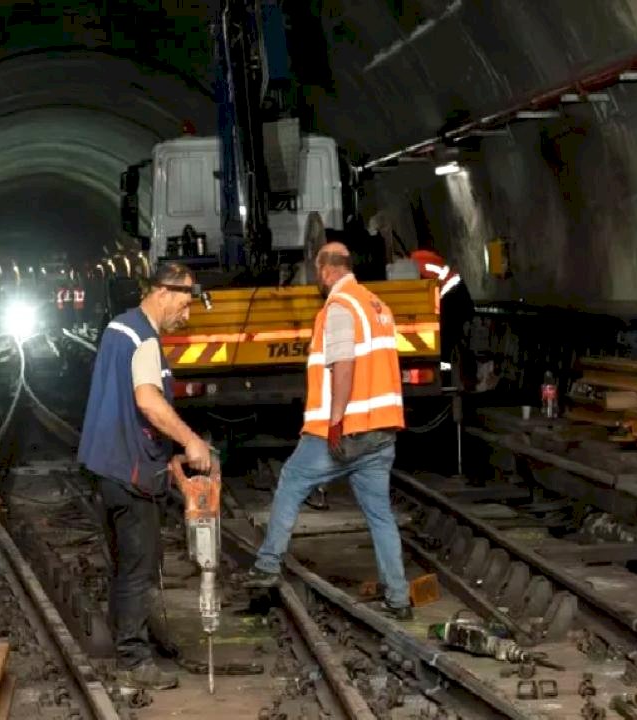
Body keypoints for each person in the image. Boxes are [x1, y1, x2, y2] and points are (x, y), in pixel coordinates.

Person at [244, 242, 412, 621]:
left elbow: (344, 366)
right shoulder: (376, 305)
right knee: (380, 515)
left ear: (325, 270)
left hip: (344, 431)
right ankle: (398, 598)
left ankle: (268, 566)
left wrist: (336, 421)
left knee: (291, 481)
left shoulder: (339, 307)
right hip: (382, 432)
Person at [77, 261, 211, 691]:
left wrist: (169, 461)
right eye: (185, 302)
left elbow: (127, 407)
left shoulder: (118, 329)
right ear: (163, 292)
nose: (186, 314)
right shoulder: (145, 340)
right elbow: (148, 402)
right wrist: (191, 442)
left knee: (124, 564)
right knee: (140, 566)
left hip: (107, 466)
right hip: (129, 472)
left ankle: (130, 640)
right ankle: (133, 661)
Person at [409, 247, 475, 387]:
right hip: (458, 295)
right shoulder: (422, 261)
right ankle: (457, 377)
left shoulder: (415, 268)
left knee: (446, 343)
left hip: (453, 299)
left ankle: (448, 379)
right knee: (452, 341)